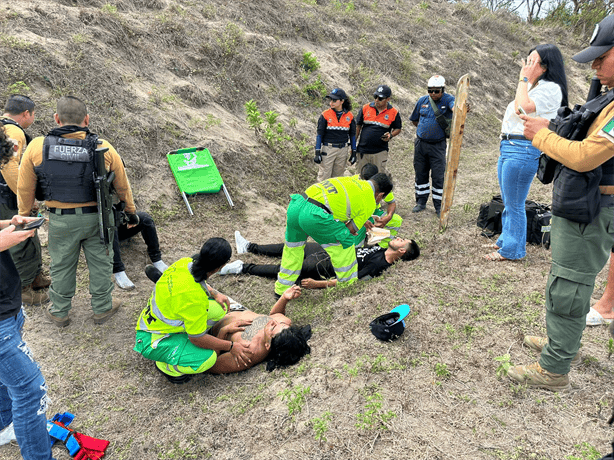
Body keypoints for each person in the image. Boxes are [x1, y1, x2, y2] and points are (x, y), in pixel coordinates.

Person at [507, 14, 614, 391]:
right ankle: (561, 344)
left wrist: (542, 135)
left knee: (568, 286)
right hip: (585, 205)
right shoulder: (607, 96)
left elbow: (586, 156)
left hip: (593, 210)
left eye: (603, 55)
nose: (595, 64)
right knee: (566, 282)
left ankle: (554, 369)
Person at [17, 96, 137, 327]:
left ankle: (59, 311)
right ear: (87, 119)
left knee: (61, 265)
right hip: (98, 218)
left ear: (56, 118)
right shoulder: (103, 147)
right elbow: (123, 186)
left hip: (61, 220)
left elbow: (24, 187)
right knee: (102, 263)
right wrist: (130, 212)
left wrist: (24, 214)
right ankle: (102, 308)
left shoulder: (37, 146)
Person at [484, 45, 568, 262]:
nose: (527, 66)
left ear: (545, 66)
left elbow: (523, 108)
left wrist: (523, 80)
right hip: (510, 145)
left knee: (515, 202)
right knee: (508, 198)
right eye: (527, 61)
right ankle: (506, 239)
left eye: (533, 62)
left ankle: (513, 250)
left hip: (523, 148)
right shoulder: (536, 86)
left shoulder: (550, 88)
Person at [0, 126, 55, 460]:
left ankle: (5, 425)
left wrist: (7, 224)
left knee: (6, 380)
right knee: (30, 389)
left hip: (8, 302)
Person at [274, 173, 393, 296]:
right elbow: (349, 230)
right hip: (315, 216)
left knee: (293, 249)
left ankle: (281, 289)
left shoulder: (351, 180)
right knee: (345, 243)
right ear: (380, 195)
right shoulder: (370, 202)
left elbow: (338, 205)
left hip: (297, 204)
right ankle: (348, 288)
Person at [219, 232, 419, 288]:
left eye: (402, 240)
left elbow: (350, 281)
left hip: (326, 266)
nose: (398, 238)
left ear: (401, 250)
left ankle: (242, 268)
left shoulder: (379, 266)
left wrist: (319, 284)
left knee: (287, 269)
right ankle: (248, 247)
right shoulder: (382, 247)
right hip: (332, 250)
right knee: (293, 246)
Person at [0, 95, 50, 306]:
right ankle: (24, 290)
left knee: (29, 235)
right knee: (20, 238)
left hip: (6, 195)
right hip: (8, 197)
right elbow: (9, 166)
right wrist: (25, 198)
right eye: (33, 114)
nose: (33, 118)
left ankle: (35, 277)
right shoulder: (13, 131)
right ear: (26, 114)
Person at [207, 285, 311, 374]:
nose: (273, 322)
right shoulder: (283, 325)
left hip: (209, 324)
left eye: (273, 327)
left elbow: (212, 365)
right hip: (232, 306)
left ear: (267, 345)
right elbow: (275, 315)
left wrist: (223, 332)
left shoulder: (248, 353)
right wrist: (284, 298)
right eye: (279, 323)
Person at [409, 75, 455, 216]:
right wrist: (424, 131)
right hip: (421, 144)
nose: (433, 94)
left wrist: (460, 109)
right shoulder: (422, 100)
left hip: (437, 146)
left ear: (443, 89)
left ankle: (438, 205)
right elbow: (415, 120)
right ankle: (421, 202)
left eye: (436, 91)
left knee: (438, 176)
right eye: (430, 90)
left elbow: (456, 108)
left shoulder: (448, 99)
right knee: (420, 173)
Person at [113, 209, 168, 290]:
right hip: (99, 228)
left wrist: (130, 215)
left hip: (118, 220)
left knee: (145, 218)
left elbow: (126, 199)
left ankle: (156, 259)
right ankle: (118, 271)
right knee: (109, 228)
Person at [355, 85, 402, 175]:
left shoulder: (394, 112)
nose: (376, 100)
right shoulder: (365, 108)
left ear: (388, 99)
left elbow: (398, 128)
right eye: (375, 97)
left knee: (377, 178)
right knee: (361, 178)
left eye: (380, 98)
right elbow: (358, 126)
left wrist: (391, 135)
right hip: (363, 151)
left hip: (380, 152)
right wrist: (353, 145)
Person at [314, 88, 357, 181]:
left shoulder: (350, 116)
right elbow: (319, 135)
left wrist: (354, 152)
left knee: (337, 179)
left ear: (342, 101)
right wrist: (317, 152)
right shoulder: (325, 115)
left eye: (334, 100)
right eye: (331, 100)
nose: (331, 102)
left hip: (343, 150)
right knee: (324, 178)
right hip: (328, 149)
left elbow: (352, 135)